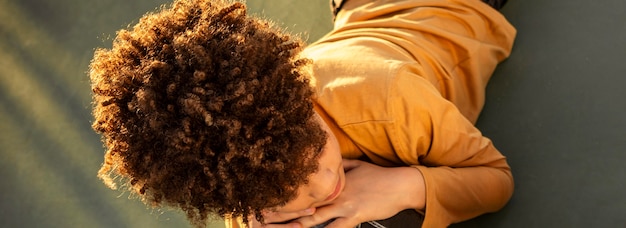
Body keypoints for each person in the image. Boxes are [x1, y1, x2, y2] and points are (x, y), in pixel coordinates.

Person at [88, 0, 515, 227]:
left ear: (303, 99)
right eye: (286, 191)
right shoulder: (243, 187)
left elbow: (496, 178)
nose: (327, 183)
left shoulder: (387, 98)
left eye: (316, 151)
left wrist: (407, 187)